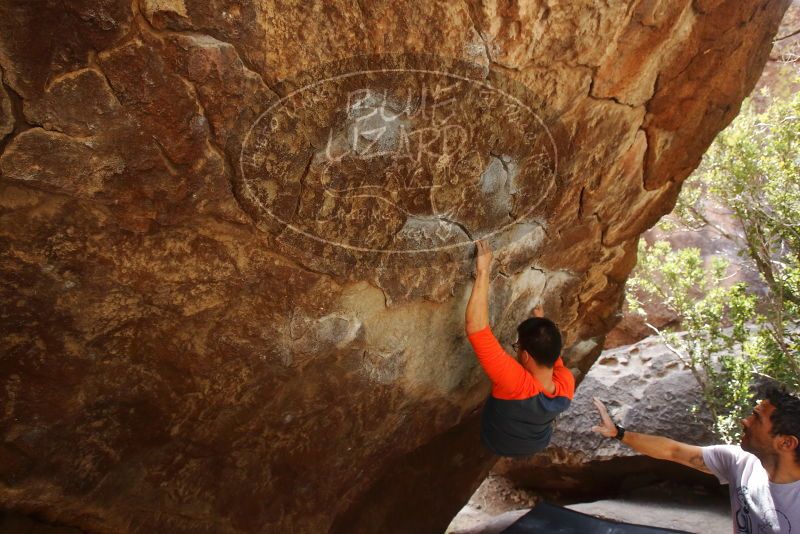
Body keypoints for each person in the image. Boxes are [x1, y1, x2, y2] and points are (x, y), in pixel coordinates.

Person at [591, 387, 800, 533]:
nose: (745, 421)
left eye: (757, 418)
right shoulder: (740, 463)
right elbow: (673, 451)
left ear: (786, 443)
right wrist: (617, 433)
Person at [465, 239, 575, 457]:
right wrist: (542, 323)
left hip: (496, 441)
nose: (515, 348)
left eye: (517, 346)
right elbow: (553, 358)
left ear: (525, 356)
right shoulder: (567, 383)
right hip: (537, 443)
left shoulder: (516, 385)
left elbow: (476, 328)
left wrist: (484, 270)